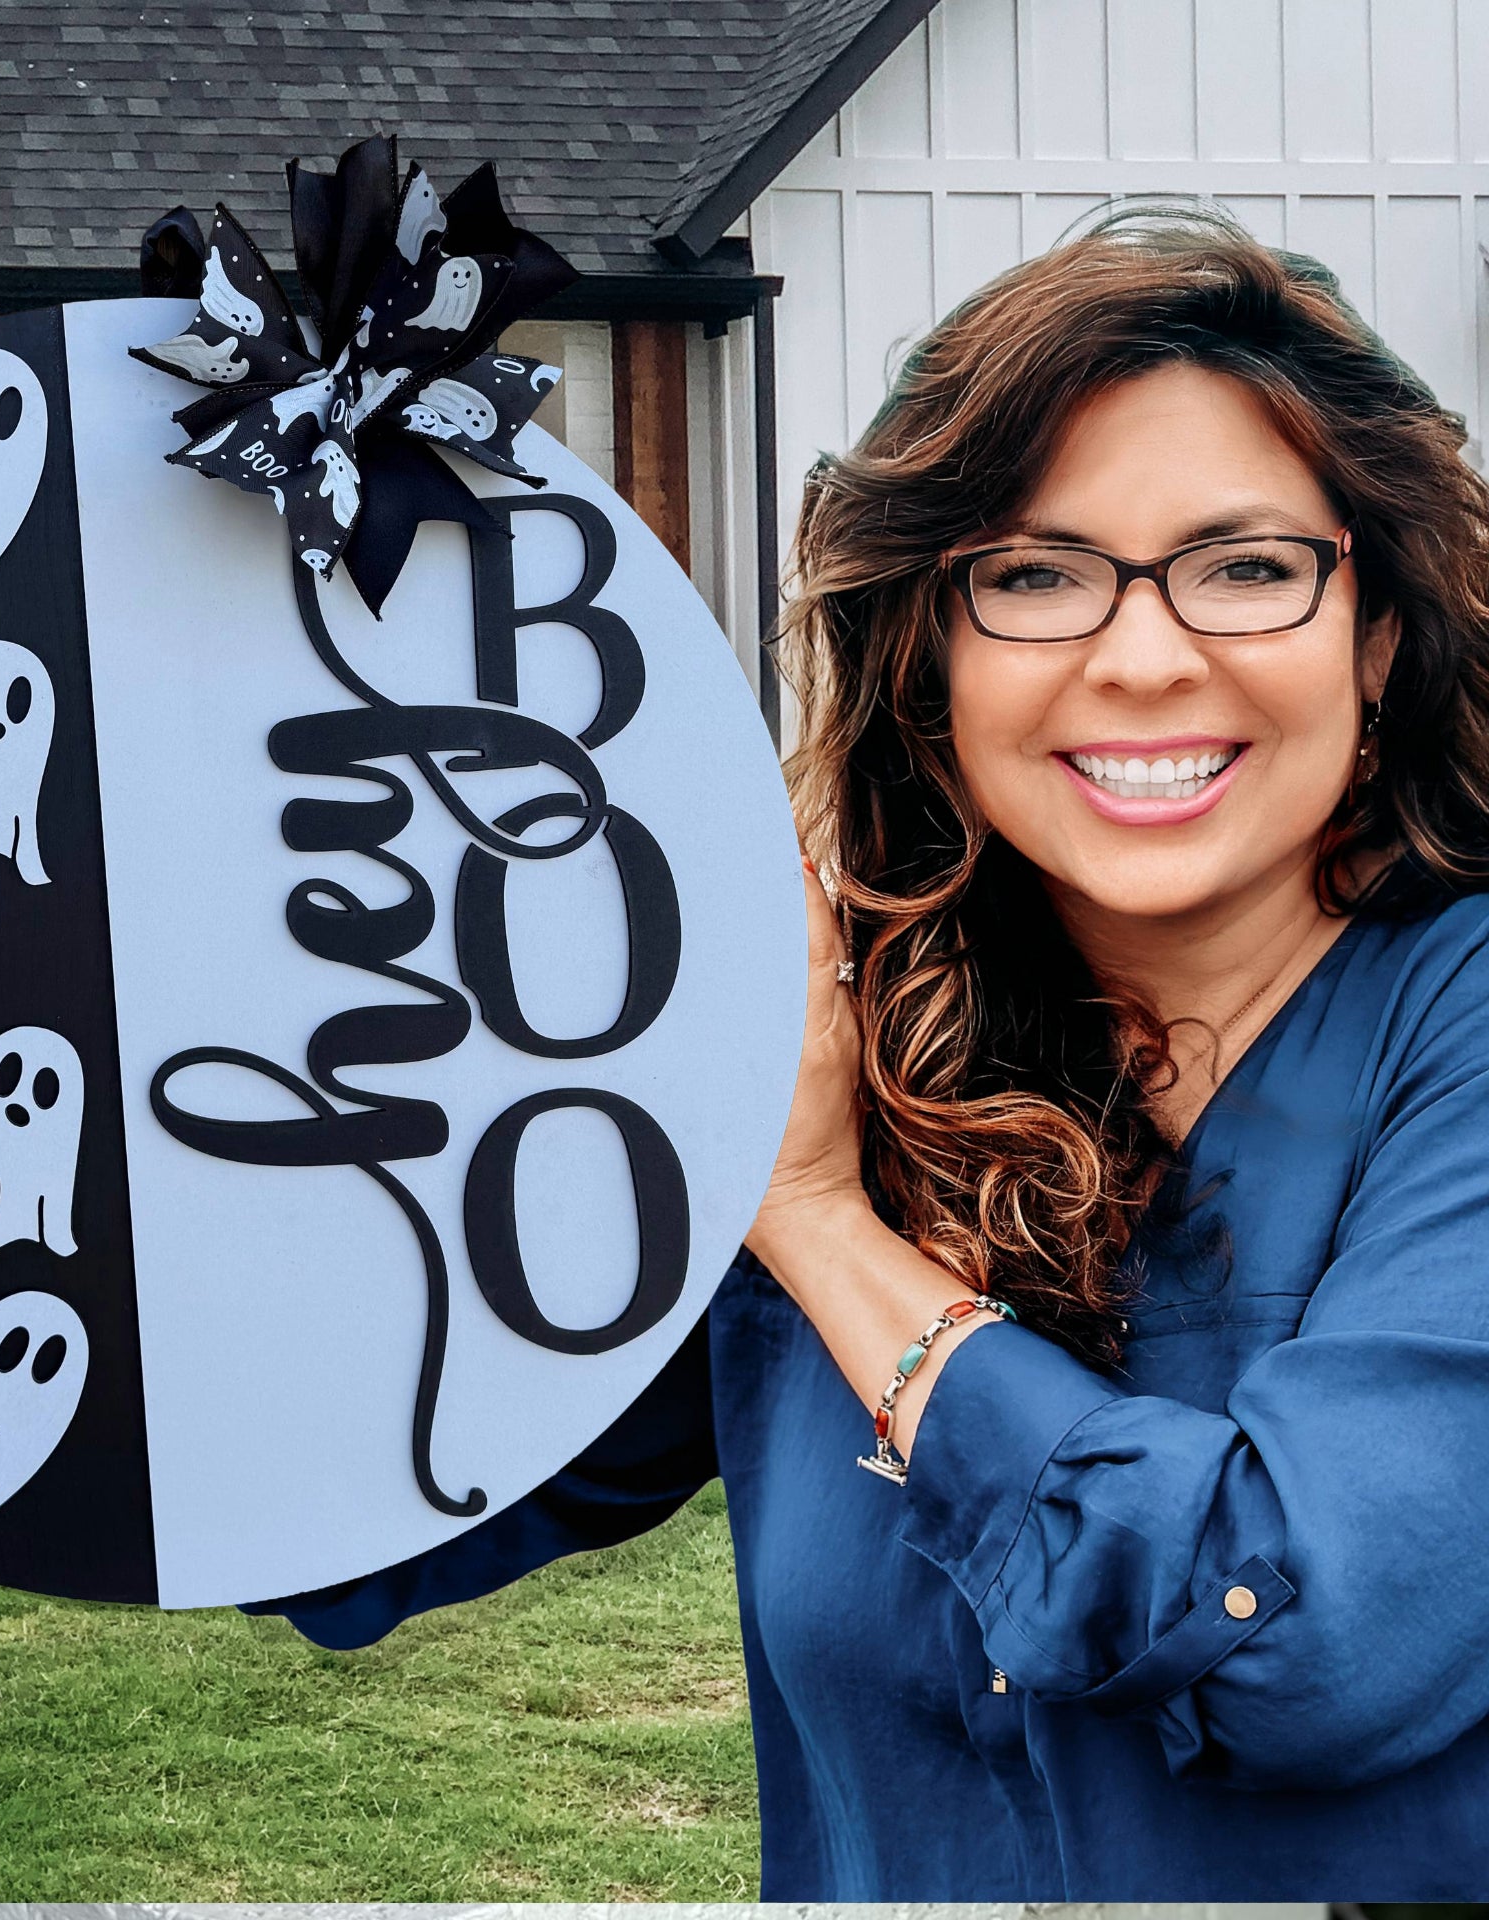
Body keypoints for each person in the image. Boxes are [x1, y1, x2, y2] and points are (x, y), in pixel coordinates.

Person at [251, 207, 1489, 1898]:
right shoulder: (847, 1040)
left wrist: (824, 1226)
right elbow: (361, 1499)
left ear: (1381, 633)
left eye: (1249, 567)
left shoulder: (1454, 1033)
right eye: (1034, 576)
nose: (1141, 656)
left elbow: (1305, 1643)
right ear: (932, 654)